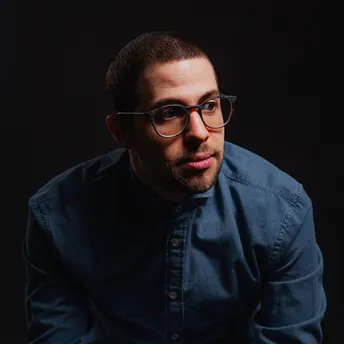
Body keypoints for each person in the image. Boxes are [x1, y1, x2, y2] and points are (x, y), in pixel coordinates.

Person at [23, 31, 326, 344]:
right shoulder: (58, 214)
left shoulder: (283, 211)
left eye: (209, 105)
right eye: (169, 113)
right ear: (121, 131)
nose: (199, 133)